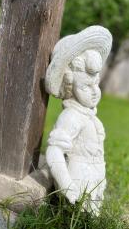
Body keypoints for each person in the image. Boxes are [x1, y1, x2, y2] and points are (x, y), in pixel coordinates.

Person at [45, 26, 112, 213]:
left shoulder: (88, 114)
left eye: (96, 85)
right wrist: (66, 185)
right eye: (85, 87)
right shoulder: (72, 116)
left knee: (91, 220)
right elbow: (54, 150)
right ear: (69, 86)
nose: (94, 92)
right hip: (79, 181)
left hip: (94, 179)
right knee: (79, 217)